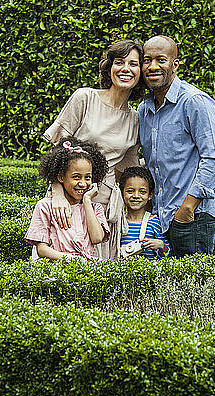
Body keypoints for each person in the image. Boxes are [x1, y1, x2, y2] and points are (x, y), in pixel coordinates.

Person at [44, 39, 145, 260]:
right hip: (68, 198)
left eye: (133, 64)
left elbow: (127, 170)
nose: (126, 69)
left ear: (141, 72)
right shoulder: (85, 98)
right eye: (120, 62)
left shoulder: (135, 118)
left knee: (97, 268)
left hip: (104, 205)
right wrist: (57, 194)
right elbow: (56, 151)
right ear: (109, 68)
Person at [138, 35, 215, 256]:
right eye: (147, 60)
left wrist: (187, 208)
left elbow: (214, 158)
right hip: (160, 218)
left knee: (193, 287)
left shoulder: (194, 102)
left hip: (192, 217)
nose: (153, 66)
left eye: (161, 60)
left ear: (174, 65)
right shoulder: (144, 109)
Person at [24, 137, 110, 261]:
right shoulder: (45, 206)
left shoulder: (95, 208)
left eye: (88, 177)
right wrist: (70, 259)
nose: (82, 183)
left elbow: (97, 238)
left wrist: (87, 200)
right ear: (61, 177)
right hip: (55, 270)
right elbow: (41, 249)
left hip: (85, 271)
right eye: (76, 177)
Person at [118, 166, 169, 260]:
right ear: (121, 192)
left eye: (142, 192)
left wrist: (161, 246)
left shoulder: (155, 222)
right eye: (130, 191)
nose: (136, 196)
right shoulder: (118, 223)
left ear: (150, 195)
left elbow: (167, 256)